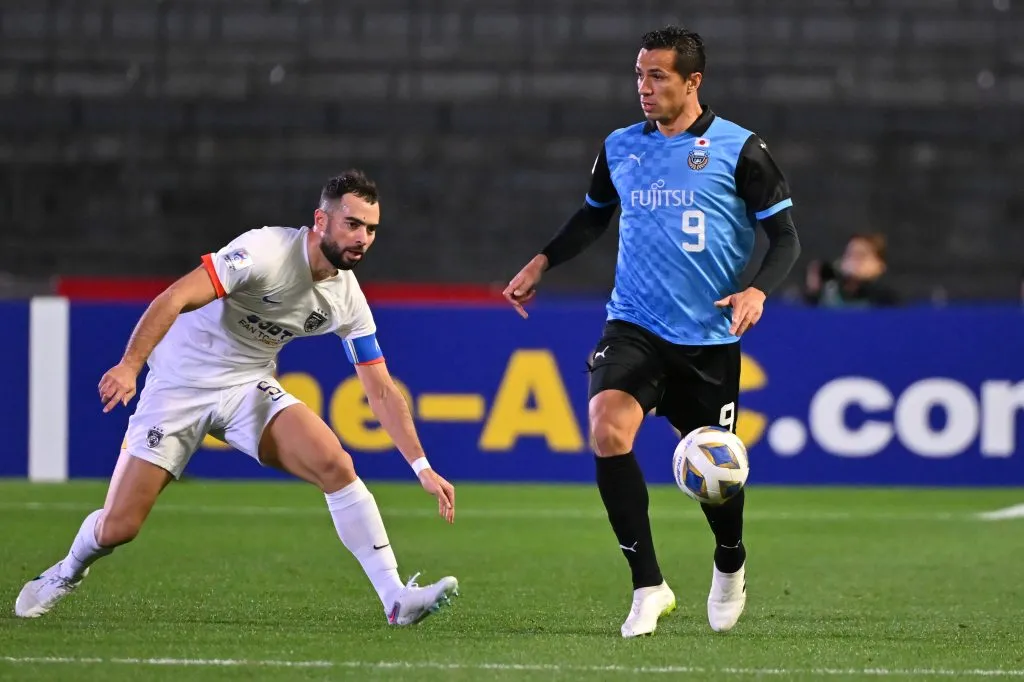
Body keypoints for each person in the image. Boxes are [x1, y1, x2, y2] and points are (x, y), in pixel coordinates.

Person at [15, 170, 460, 625]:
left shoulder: (347, 298)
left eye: (371, 229)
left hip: (246, 386)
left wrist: (421, 467)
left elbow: (381, 389)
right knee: (119, 527)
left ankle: (394, 597)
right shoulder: (264, 252)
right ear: (320, 221)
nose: (362, 238)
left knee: (336, 465)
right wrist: (131, 365)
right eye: (352, 224)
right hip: (179, 387)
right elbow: (175, 296)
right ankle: (67, 571)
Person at [503, 25, 800, 637]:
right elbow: (591, 217)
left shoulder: (739, 149)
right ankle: (648, 586)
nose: (644, 87)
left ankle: (730, 559)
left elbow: (786, 237)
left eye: (657, 75)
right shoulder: (619, 147)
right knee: (607, 430)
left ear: (693, 82)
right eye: (639, 74)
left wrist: (757, 289)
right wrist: (542, 261)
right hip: (633, 324)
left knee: (717, 478)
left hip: (708, 339)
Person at [804, 232, 899, 307]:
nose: (853, 261)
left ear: (880, 265)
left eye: (861, 256)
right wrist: (813, 290)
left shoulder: (886, 299)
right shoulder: (828, 295)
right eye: (849, 255)